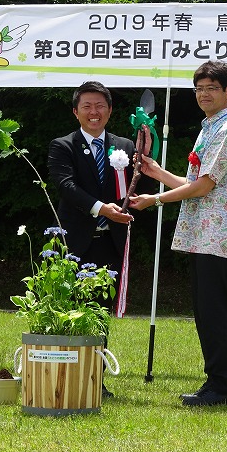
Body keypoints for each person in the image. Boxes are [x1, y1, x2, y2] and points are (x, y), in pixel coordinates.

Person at [130, 60, 227, 406]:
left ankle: (221, 388)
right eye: (199, 88)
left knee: (213, 311)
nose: (203, 94)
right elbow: (191, 183)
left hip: (218, 235)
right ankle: (214, 383)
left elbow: (203, 187)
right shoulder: (208, 128)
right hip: (203, 234)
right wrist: (154, 170)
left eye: (212, 88)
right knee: (205, 309)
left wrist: (154, 199)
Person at [48, 80, 137, 397]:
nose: (94, 112)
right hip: (74, 243)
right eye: (86, 106)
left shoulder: (125, 146)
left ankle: (93, 381)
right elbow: (65, 186)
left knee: (100, 313)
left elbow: (127, 189)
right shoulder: (63, 146)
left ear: (110, 110)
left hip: (109, 242)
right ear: (76, 112)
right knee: (69, 310)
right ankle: (65, 378)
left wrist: (133, 201)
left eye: (100, 105)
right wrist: (101, 208)